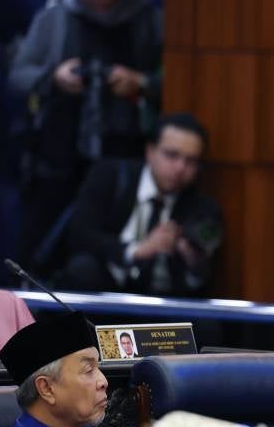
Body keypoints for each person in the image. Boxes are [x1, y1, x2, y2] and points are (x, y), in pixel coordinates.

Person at [10, 0, 162, 276]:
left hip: (122, 158)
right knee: (41, 248)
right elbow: (18, 75)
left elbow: (178, 80)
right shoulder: (56, 20)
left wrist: (141, 83)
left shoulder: (148, 23)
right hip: (59, 155)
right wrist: (54, 77)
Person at [60, 113, 222, 296]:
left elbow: (196, 284)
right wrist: (137, 250)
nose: (180, 168)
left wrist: (195, 263)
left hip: (159, 304)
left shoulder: (202, 208)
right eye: (171, 155)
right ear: (150, 152)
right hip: (106, 291)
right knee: (83, 270)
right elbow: (79, 236)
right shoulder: (110, 176)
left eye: (191, 161)